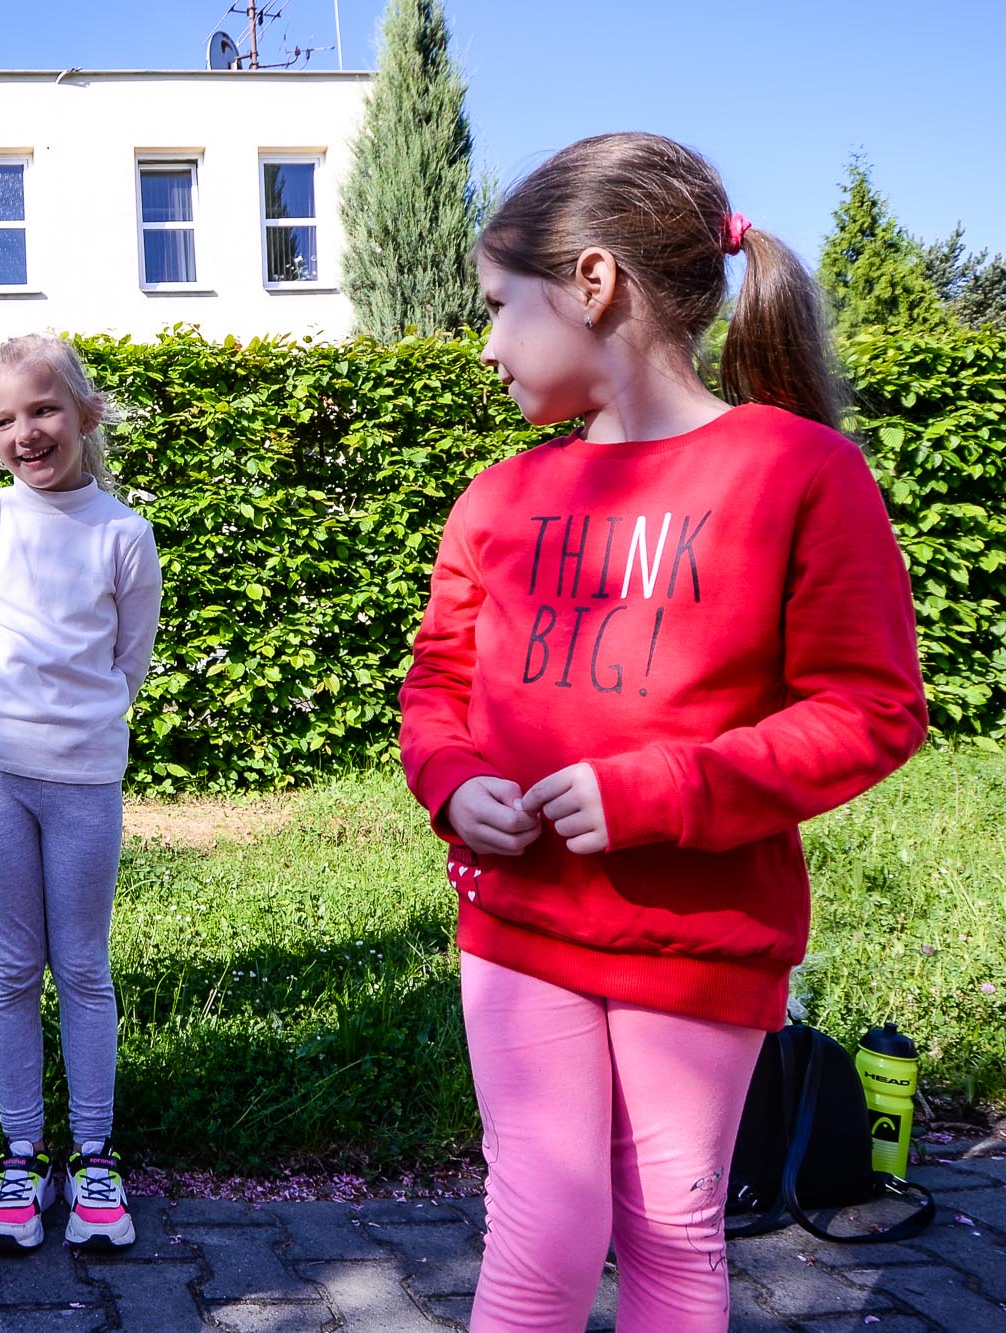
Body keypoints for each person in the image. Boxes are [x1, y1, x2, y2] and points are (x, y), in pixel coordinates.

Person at [399, 133, 929, 1331]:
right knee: (540, 1231)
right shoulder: (495, 497)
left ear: (591, 282)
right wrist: (449, 777)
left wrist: (664, 791)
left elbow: (870, 707)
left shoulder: (798, 472)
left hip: (697, 942)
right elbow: (435, 682)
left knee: (670, 1233)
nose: (484, 347)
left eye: (495, 306)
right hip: (516, 927)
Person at [0, 334, 162, 1251]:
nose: (27, 431)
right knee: (9, 967)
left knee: (83, 967)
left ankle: (95, 1154)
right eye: (6, 419)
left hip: (83, 782)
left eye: (44, 409)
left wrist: (77, 728)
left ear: (85, 415)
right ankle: (23, 1154)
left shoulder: (123, 534)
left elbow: (129, 658)